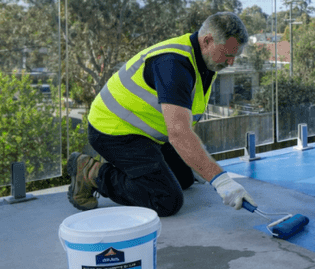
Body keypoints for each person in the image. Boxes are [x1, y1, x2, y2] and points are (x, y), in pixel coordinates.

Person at [67, 12, 257, 217]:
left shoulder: (205, 63)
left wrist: (200, 164)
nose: (231, 62)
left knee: (185, 178)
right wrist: (221, 180)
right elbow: (179, 134)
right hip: (113, 130)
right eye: (228, 55)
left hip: (146, 133)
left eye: (235, 56)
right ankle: (92, 173)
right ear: (207, 41)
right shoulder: (173, 64)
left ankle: (134, 170)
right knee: (166, 199)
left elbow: (184, 121)